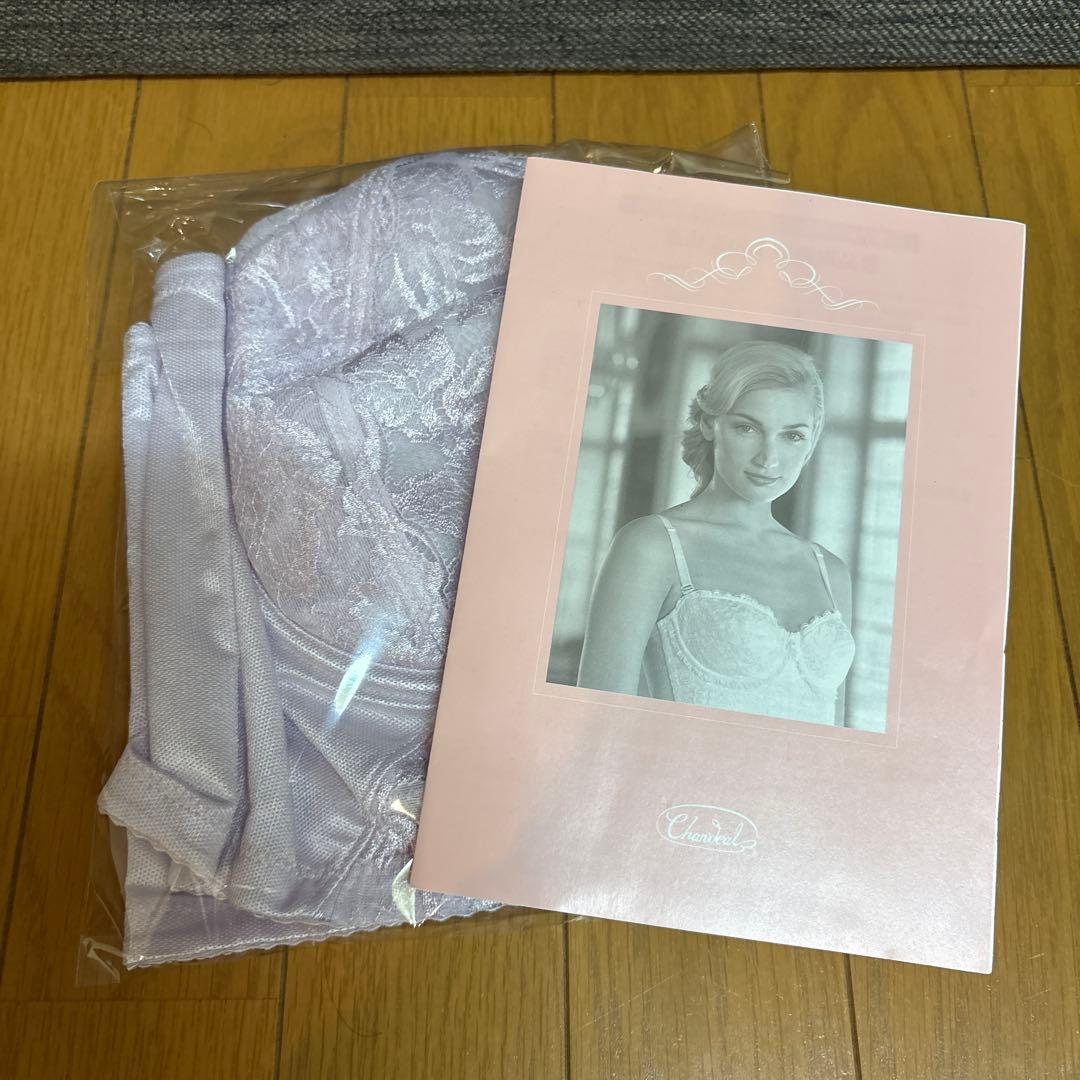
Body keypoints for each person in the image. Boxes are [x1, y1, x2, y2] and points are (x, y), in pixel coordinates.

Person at [576, 340, 856, 727]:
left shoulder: (830, 571)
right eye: (747, 428)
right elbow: (597, 724)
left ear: (812, 441)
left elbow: (836, 738)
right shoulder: (653, 546)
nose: (768, 459)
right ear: (710, 424)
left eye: (792, 435)